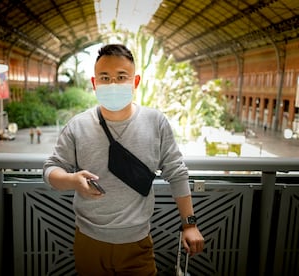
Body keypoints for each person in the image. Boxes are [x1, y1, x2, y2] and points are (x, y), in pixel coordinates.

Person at [43, 44, 204, 275]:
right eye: (105, 77)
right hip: (88, 241)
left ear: (135, 82)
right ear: (94, 83)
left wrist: (190, 225)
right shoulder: (78, 126)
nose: (113, 84)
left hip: (136, 243)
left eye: (121, 77)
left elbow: (177, 173)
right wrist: (72, 180)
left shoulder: (155, 122)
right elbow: (50, 170)